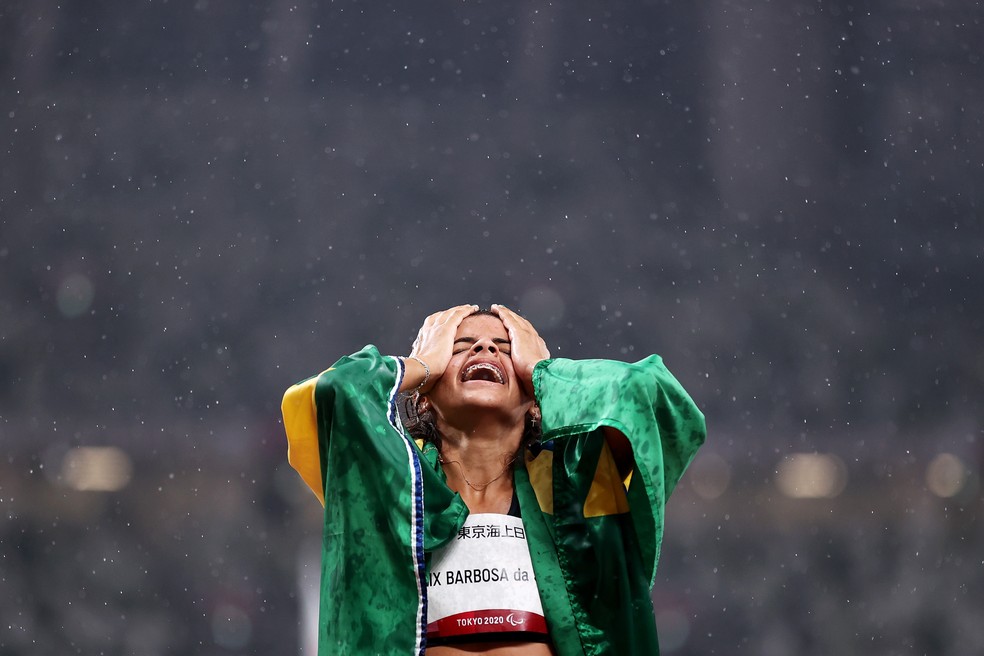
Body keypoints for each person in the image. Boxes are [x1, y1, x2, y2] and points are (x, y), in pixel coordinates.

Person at [281, 304, 706, 655]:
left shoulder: (581, 481)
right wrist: (419, 364)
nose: (484, 348)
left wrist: (546, 371)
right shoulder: (388, 481)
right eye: (459, 347)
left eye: (505, 349)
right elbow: (336, 390)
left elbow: (654, 398)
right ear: (424, 397)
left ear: (536, 401)